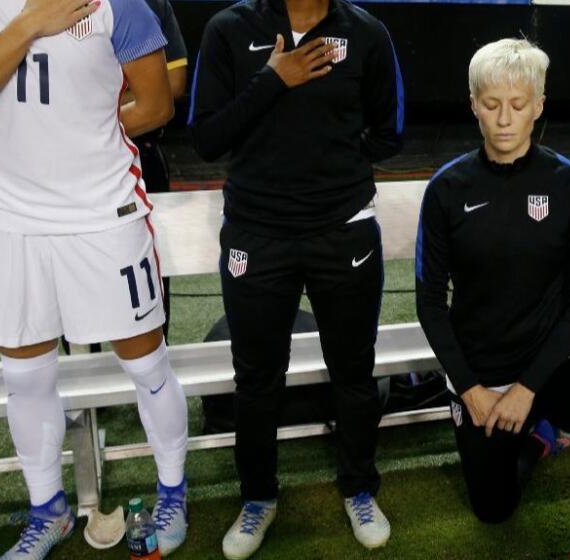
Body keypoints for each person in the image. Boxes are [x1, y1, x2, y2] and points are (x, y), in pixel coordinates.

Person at [189, 0, 403, 557]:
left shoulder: (368, 33)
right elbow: (207, 137)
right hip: (257, 236)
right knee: (257, 379)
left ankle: (359, 487)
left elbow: (391, 130)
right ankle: (257, 498)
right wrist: (272, 81)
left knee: (353, 371)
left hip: (344, 232)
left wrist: (336, 167)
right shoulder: (229, 31)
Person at [0, 0, 189, 557]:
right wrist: (30, 23)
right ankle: (49, 510)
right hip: (7, 217)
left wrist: (78, 133)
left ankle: (173, 490)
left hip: (102, 213)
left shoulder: (120, 4)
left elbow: (158, 103)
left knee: (147, 363)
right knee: (24, 377)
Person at [415, 39, 570, 560]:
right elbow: (429, 300)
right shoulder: (447, 190)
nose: (505, 119)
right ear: (473, 104)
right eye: (491, 104)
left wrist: (526, 390)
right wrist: (471, 389)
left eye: (519, 105)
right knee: (493, 510)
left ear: (539, 105)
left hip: (554, 362)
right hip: (480, 369)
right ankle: (538, 439)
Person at [131, 0, 188, 340]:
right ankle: (81, 365)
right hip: (68, 161)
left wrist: (92, 117)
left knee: (151, 267)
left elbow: (174, 85)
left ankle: (155, 366)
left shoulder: (150, 5)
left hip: (142, 155)